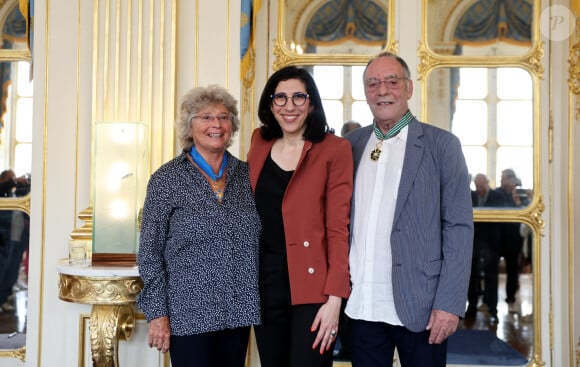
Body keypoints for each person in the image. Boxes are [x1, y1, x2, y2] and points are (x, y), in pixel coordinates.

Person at [343, 51, 473, 367]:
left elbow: (458, 228)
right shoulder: (350, 144)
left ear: (409, 88)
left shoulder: (442, 145)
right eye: (373, 83)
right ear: (365, 91)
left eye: (392, 81)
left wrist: (450, 304)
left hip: (423, 305)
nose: (382, 90)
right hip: (361, 305)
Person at [136, 85, 261, 367]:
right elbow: (149, 253)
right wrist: (157, 313)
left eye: (224, 116)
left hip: (237, 310)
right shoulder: (166, 179)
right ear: (189, 127)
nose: (216, 124)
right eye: (205, 117)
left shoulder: (248, 175)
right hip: (188, 313)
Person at [247, 65, 353, 367]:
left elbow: (338, 228)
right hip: (264, 282)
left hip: (314, 286)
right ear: (270, 104)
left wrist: (335, 299)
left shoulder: (335, 149)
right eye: (280, 97)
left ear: (312, 103)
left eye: (298, 97)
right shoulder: (259, 141)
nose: (289, 106)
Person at [465, 173, 505, 324]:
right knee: (472, 277)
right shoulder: (471, 196)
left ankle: (492, 309)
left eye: (481, 186)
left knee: (491, 278)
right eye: (477, 186)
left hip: (491, 245)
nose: (479, 189)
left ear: (488, 183)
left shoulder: (498, 196)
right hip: (474, 243)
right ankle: (472, 308)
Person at [495, 168, 529, 309]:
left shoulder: (521, 194)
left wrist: (518, 202)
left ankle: (510, 298)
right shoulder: (496, 193)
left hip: (514, 238)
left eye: (504, 178)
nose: (502, 181)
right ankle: (489, 301)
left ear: (512, 180)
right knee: (491, 269)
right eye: (501, 178)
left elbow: (527, 212)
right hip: (497, 237)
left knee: (512, 269)